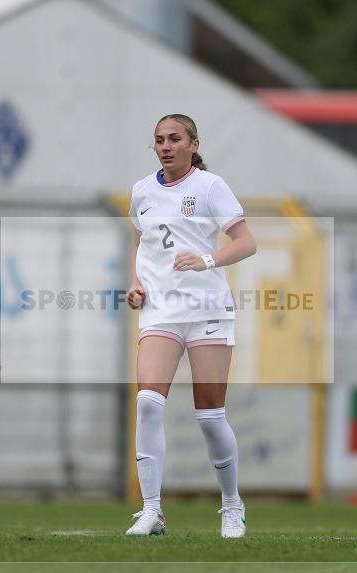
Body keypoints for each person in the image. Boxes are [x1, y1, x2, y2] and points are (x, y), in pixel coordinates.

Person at [125, 114, 257, 538]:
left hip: (207, 311)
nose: (165, 146)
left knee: (210, 416)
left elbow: (246, 242)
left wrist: (205, 260)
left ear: (193, 145)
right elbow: (139, 240)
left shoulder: (210, 186)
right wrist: (136, 281)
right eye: (159, 140)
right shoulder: (141, 192)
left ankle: (232, 505)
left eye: (174, 139)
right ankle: (151, 511)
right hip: (161, 312)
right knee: (147, 402)